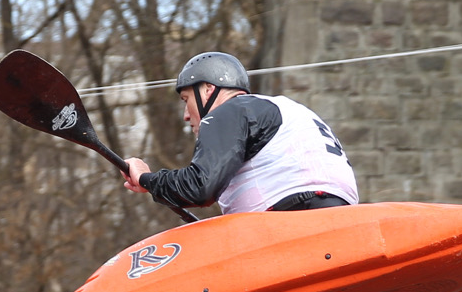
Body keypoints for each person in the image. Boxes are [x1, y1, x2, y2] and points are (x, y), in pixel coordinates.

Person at [122, 51, 357, 214]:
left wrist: (146, 179)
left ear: (208, 90)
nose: (186, 114)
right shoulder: (282, 108)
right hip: (339, 215)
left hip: (295, 215)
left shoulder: (231, 110)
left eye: (187, 100)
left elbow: (199, 188)